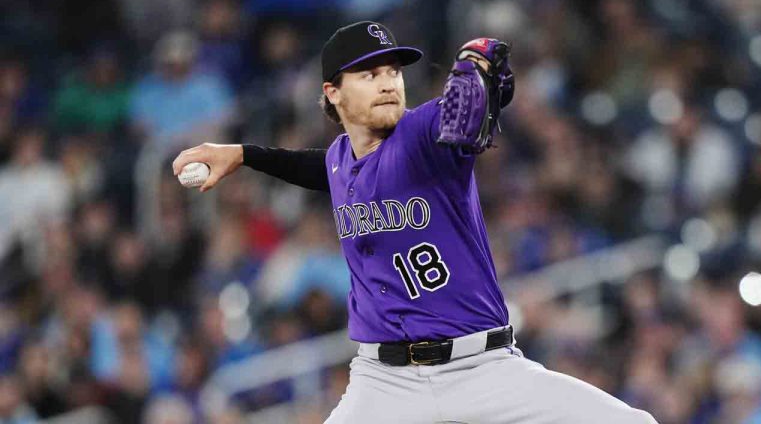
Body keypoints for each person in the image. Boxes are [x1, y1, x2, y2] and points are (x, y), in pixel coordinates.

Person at [173, 21, 657, 423]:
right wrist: (242, 154)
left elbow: (462, 120)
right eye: (368, 73)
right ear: (333, 93)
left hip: (482, 369)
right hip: (383, 383)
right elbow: (314, 167)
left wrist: (482, 83)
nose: (387, 82)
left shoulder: (424, 131)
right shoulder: (341, 159)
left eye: (393, 71)